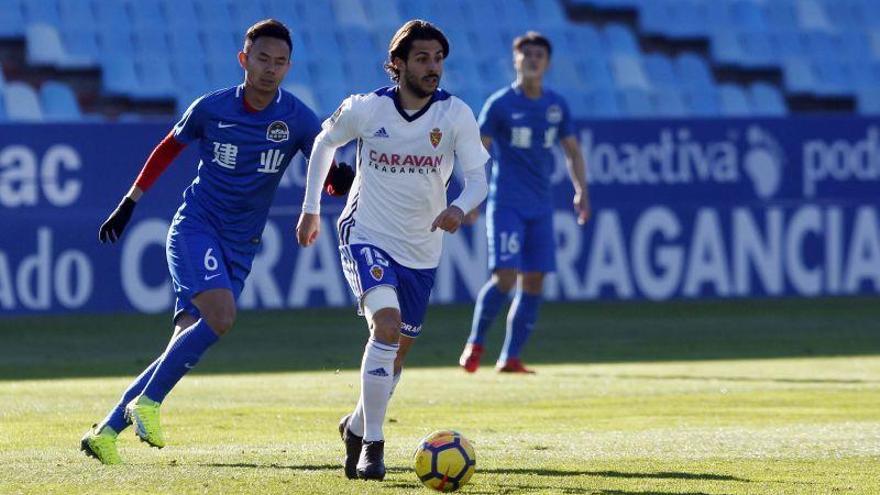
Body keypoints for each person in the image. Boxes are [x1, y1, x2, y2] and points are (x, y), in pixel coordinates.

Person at [80, 19, 350, 465]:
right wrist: (131, 202)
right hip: (195, 228)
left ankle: (106, 433)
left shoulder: (298, 117)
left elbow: (326, 174)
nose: (270, 69)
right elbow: (168, 148)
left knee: (184, 340)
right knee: (221, 317)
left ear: (288, 67)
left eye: (279, 62)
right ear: (244, 60)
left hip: (241, 244)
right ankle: (147, 405)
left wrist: (341, 181)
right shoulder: (212, 108)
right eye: (262, 59)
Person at [296, 20, 489, 481]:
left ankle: (356, 425)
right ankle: (373, 446)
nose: (433, 68)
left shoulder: (456, 114)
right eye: (422, 58)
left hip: (422, 249)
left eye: (439, 59)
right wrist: (312, 208)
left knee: (396, 353)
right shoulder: (367, 108)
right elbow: (324, 143)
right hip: (366, 234)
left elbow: (479, 179)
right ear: (398, 64)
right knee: (384, 328)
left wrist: (459, 208)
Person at [458, 31, 591, 374]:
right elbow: (478, 151)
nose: (532, 59)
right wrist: (470, 197)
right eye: (526, 54)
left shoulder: (556, 105)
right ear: (515, 60)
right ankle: (475, 343)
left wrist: (581, 190)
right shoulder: (500, 104)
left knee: (534, 281)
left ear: (547, 63)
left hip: (541, 206)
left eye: (539, 55)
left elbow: (573, 151)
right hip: (507, 203)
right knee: (505, 277)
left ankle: (510, 357)